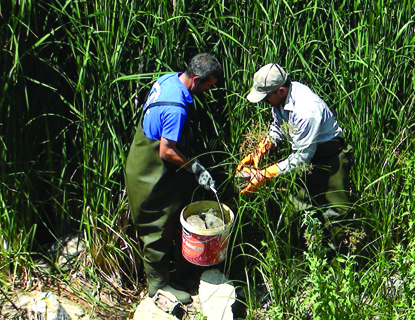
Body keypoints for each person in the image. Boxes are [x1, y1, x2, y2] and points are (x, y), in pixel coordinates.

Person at [125, 53, 223, 304]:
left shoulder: (169, 80)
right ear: (197, 79)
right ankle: (158, 288)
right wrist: (196, 168)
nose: (212, 89)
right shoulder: (176, 107)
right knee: (156, 228)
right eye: (210, 84)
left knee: (167, 222)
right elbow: (166, 151)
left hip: (140, 157)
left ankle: (173, 276)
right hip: (150, 173)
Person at [237, 63, 354, 249]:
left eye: (266, 97)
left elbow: (301, 159)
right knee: (294, 211)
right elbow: (278, 127)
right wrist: (260, 150)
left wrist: (262, 175)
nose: (264, 101)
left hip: (331, 158)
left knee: (335, 217)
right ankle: (299, 259)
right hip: (307, 158)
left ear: (281, 90)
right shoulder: (279, 99)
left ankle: (339, 269)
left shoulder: (306, 110)